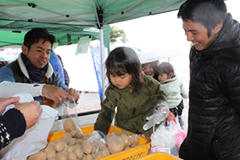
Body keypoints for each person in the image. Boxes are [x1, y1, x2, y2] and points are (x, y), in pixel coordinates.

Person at [177, 0, 240, 159]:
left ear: (218, 25)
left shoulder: (234, 60)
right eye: (185, 31)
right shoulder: (197, 52)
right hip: (199, 145)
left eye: (194, 32)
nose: (188, 38)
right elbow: (201, 103)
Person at [93, 47, 176, 138]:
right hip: (124, 131)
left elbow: (159, 96)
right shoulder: (113, 90)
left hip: (147, 130)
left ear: (134, 72)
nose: (117, 81)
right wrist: (99, 131)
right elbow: (106, 111)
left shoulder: (148, 83)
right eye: (112, 76)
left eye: (122, 77)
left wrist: (162, 107)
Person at [0, 28, 79, 108]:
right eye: (39, 51)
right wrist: (42, 89)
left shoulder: (54, 76)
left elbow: (69, 103)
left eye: (48, 52)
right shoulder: (8, 71)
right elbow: (2, 89)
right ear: (25, 50)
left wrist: (72, 96)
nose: (44, 56)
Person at [157, 62, 188, 129]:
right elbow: (184, 93)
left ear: (170, 75)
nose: (159, 77)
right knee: (179, 118)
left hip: (169, 109)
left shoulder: (161, 86)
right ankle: (182, 128)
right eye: (158, 75)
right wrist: (185, 95)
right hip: (179, 105)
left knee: (168, 123)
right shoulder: (178, 80)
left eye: (161, 75)